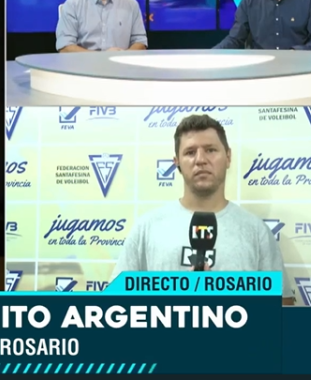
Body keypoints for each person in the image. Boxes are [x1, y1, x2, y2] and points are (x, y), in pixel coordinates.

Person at [112, 114, 293, 305]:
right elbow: (114, 308)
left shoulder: (256, 232)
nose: (200, 160)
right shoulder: (146, 229)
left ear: (228, 157)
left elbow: (283, 308)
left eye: (210, 150)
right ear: (177, 162)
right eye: (190, 152)